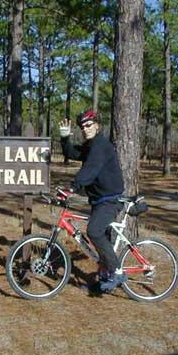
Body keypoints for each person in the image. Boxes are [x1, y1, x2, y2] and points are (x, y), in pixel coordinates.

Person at [59, 110, 127, 293]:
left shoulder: (101, 145)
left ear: (97, 125)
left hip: (110, 200)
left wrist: (73, 187)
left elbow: (91, 169)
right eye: (82, 127)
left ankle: (118, 272)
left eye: (88, 125)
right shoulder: (91, 146)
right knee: (102, 239)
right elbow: (73, 152)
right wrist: (65, 138)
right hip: (99, 200)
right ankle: (103, 281)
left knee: (94, 231)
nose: (85, 129)